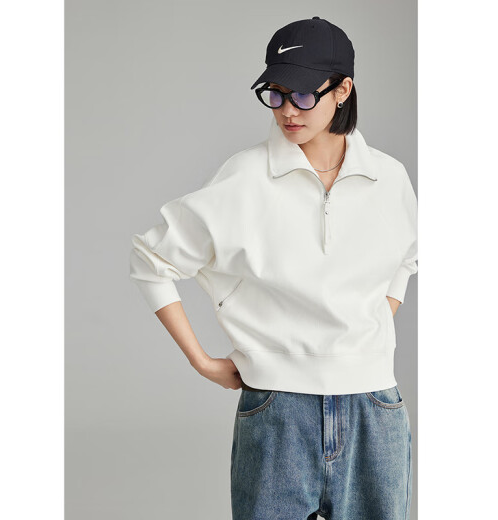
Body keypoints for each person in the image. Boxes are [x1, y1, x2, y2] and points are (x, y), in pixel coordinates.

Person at [129, 16, 417, 520]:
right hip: (279, 410)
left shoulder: (389, 177)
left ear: (343, 90)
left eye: (303, 94)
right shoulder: (246, 176)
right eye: (276, 94)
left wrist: (372, 324)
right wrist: (202, 362)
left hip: (375, 409)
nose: (287, 110)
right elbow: (152, 258)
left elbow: (408, 257)